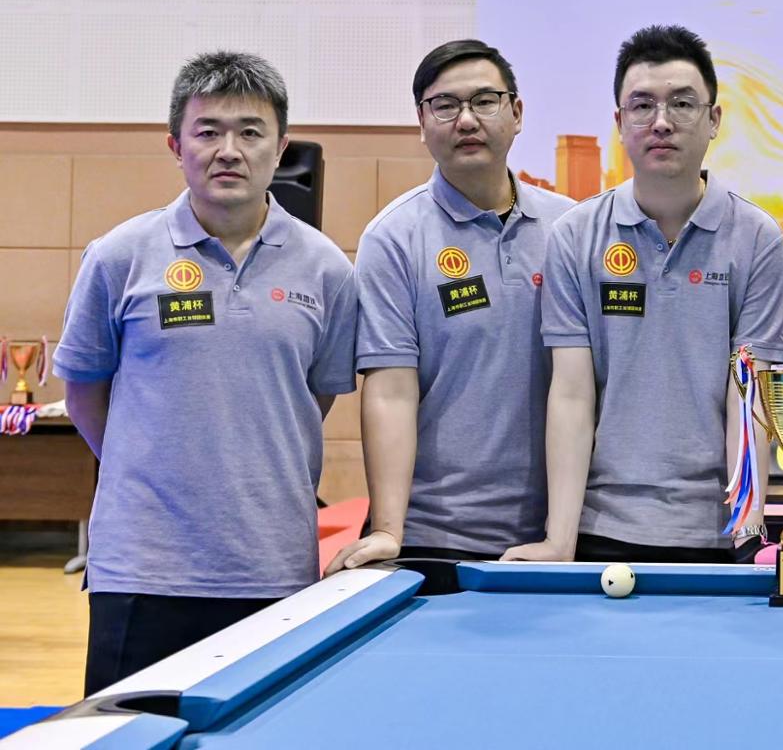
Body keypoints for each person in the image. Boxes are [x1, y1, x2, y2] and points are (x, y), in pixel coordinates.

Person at [54, 51, 356, 694]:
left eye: (250, 132)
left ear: (280, 148)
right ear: (176, 145)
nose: (229, 151)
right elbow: (83, 394)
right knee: (130, 734)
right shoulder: (118, 256)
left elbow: (312, 399)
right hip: (142, 570)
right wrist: (149, 464)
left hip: (273, 567)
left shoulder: (328, 268)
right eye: (208, 131)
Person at [504, 25, 783, 563]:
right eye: (642, 106)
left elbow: (748, 394)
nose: (661, 121)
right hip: (602, 527)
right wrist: (560, 540)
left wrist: (748, 531)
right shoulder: (576, 235)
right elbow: (571, 393)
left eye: (682, 103)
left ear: (714, 120)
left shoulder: (756, 237)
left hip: (715, 532)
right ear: (619, 123)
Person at [326, 40, 572, 571]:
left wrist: (566, 531)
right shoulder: (394, 237)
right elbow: (390, 390)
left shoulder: (571, 228)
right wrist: (389, 528)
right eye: (445, 105)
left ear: (517, 112)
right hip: (437, 533)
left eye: (484, 101)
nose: (466, 120)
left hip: (558, 535)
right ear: (422, 122)